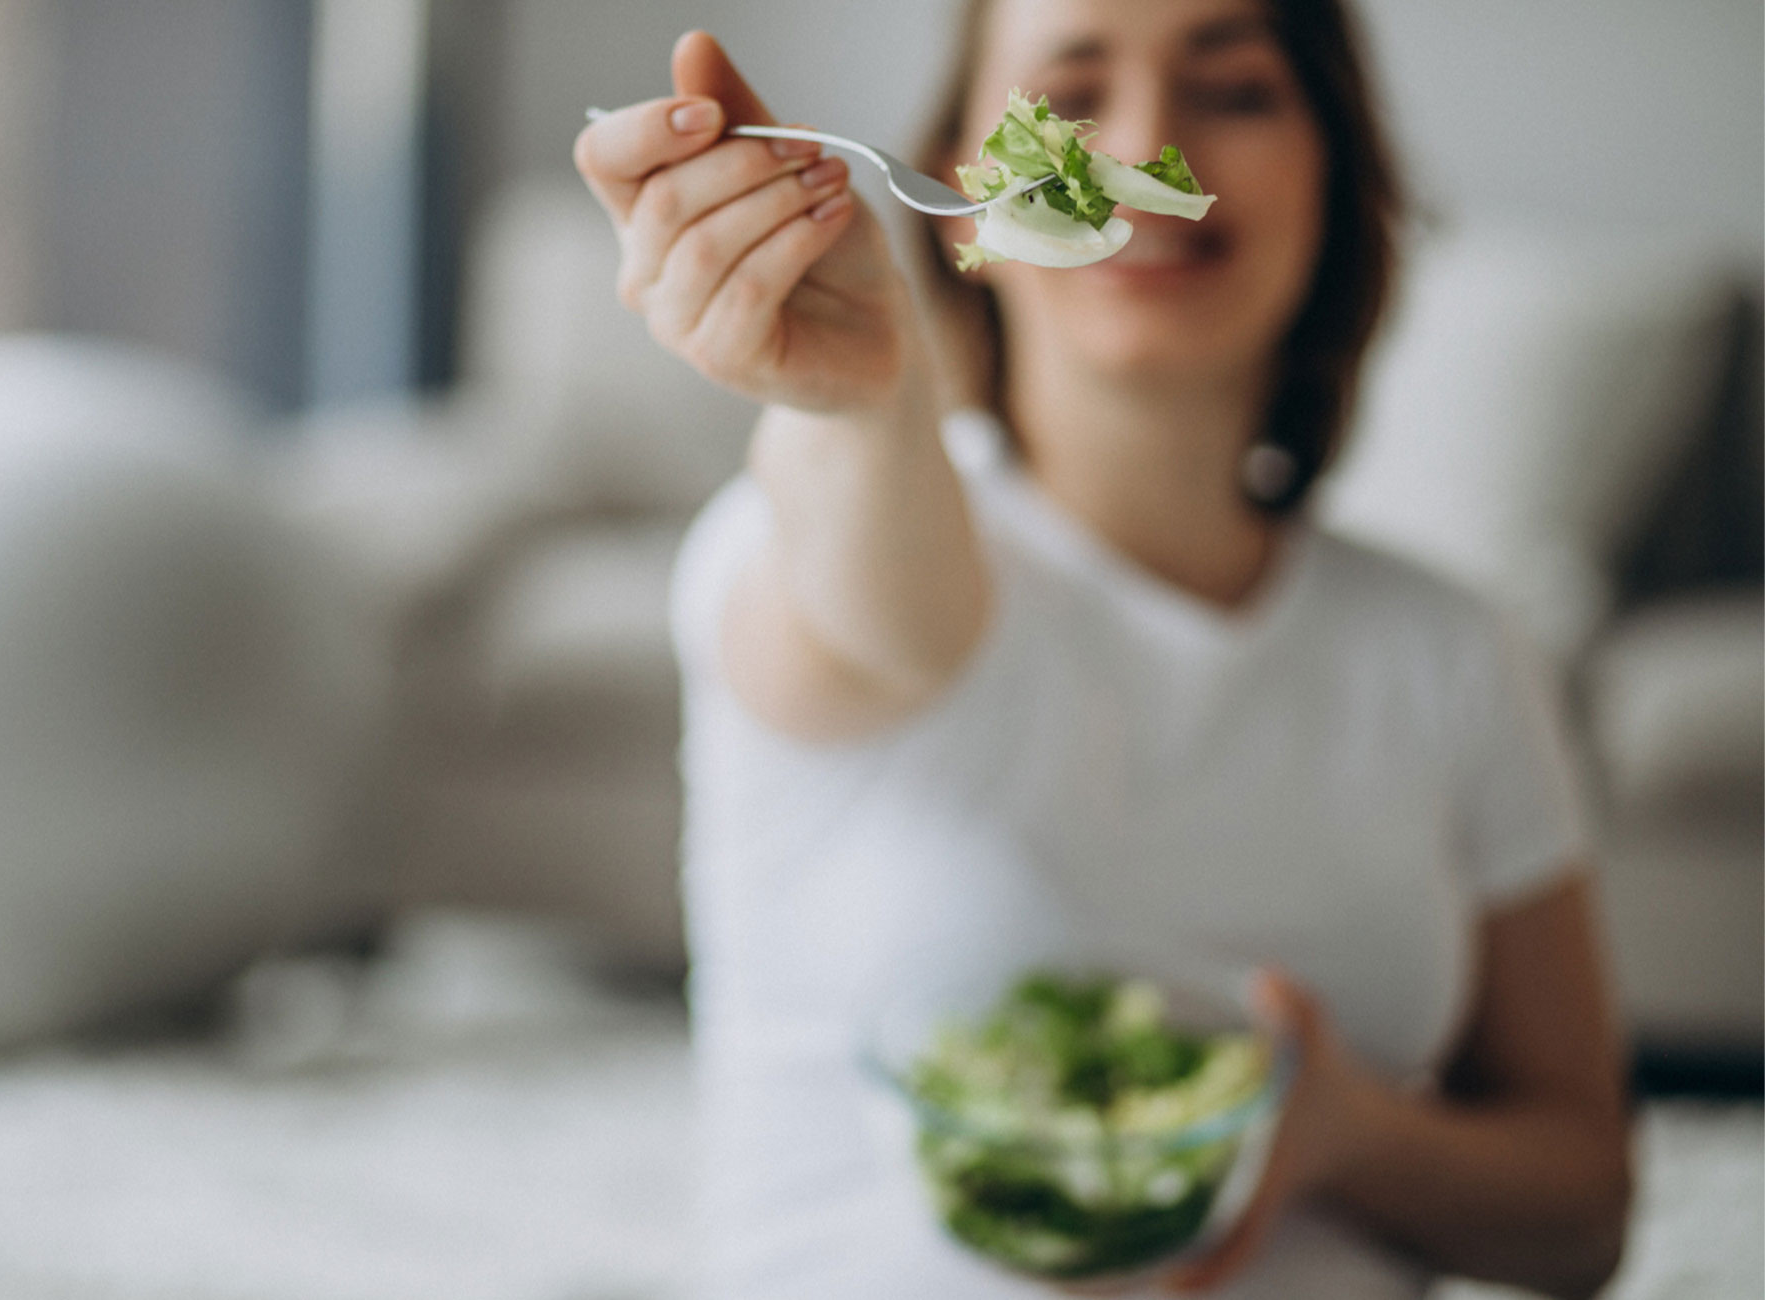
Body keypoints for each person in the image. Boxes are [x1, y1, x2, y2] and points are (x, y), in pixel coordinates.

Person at [573, 3, 1631, 1296]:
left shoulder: (1455, 652)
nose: (1141, 141)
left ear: (1336, 175)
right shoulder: (806, 536)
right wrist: (866, 406)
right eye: (1069, 93)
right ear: (962, 197)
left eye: (1235, 91)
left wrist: (1347, 1135)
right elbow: (893, 612)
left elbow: (1583, 1214)